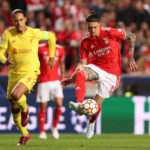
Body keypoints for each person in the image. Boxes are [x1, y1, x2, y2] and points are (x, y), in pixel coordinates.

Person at [61, 11, 137, 139]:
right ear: (86, 26)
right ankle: (79, 104)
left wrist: (130, 57)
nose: (92, 31)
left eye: (95, 27)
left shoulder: (110, 32)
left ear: (99, 25)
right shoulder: (85, 41)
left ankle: (91, 122)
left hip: (112, 75)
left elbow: (132, 36)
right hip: (96, 67)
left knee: (95, 107)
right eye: (89, 28)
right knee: (81, 73)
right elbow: (82, 65)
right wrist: (70, 79)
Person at [0, 9, 56, 146]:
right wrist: (4, 60)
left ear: (25, 19)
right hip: (13, 74)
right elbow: (0, 53)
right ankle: (25, 134)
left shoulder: (34, 33)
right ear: (13, 21)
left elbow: (51, 37)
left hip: (30, 72)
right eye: (16, 20)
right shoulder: (7, 34)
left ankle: (26, 109)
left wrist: (51, 56)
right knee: (14, 108)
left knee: (16, 94)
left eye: (21, 19)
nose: (18, 23)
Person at [37, 42, 65, 139]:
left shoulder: (60, 49)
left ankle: (54, 127)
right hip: (43, 81)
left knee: (59, 103)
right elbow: (33, 62)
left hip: (56, 81)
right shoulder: (39, 48)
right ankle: (42, 131)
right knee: (43, 105)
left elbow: (62, 64)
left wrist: (63, 78)